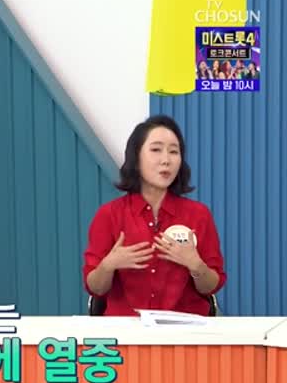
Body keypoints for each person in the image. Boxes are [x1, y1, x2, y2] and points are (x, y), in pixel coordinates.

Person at [83, 115, 226, 316]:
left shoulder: (199, 215)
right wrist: (109, 265)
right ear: (136, 158)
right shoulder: (109, 215)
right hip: (126, 329)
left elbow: (210, 286)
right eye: (156, 150)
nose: (166, 160)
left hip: (185, 328)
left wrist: (195, 265)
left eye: (174, 151)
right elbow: (96, 288)